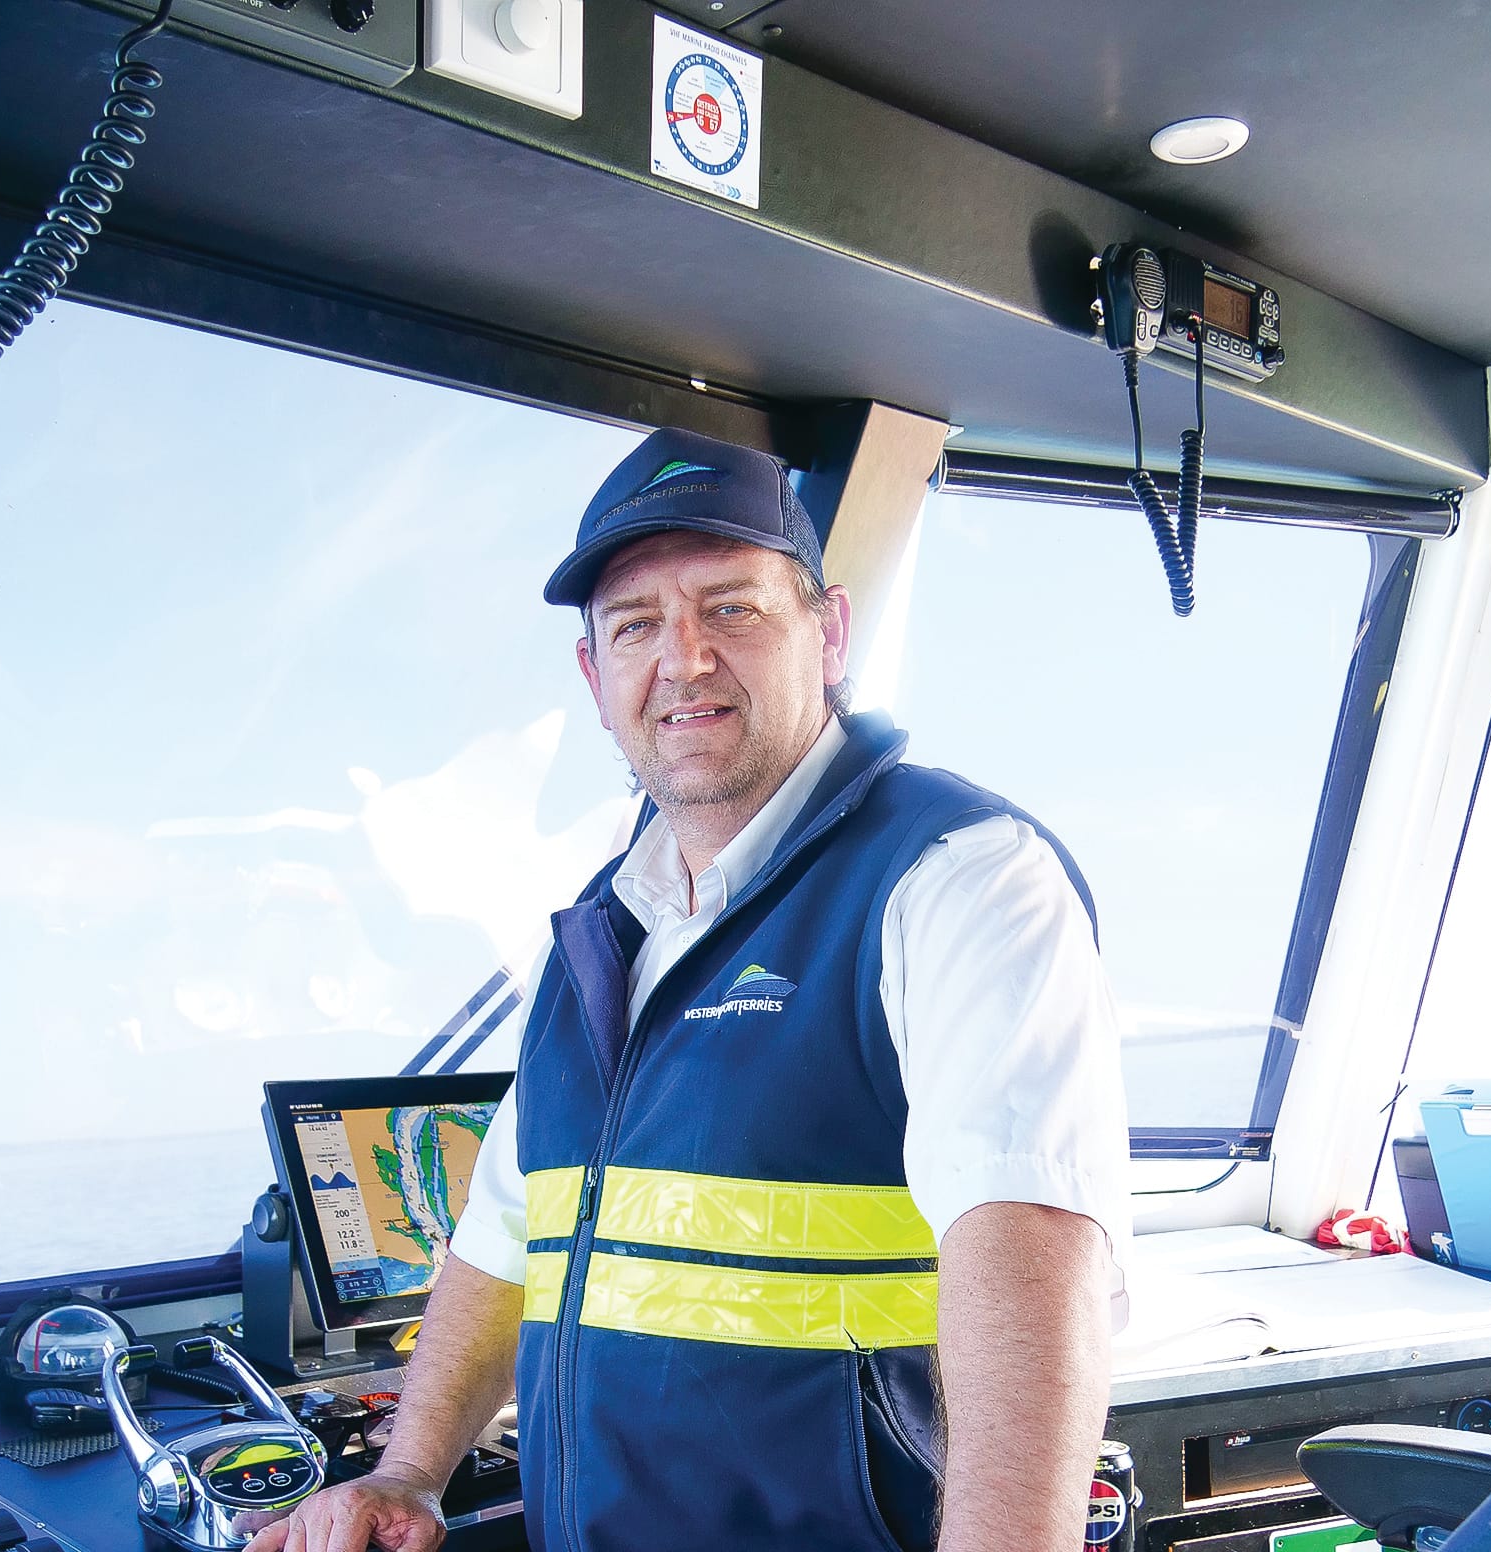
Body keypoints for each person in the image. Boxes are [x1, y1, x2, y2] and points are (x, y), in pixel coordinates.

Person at [247, 429, 1131, 1552]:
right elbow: (504, 1237)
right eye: (635, 627)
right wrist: (411, 1470)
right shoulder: (606, 926)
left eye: (731, 607)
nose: (684, 658)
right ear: (593, 675)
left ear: (830, 634)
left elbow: (1027, 1252)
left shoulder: (956, 873)